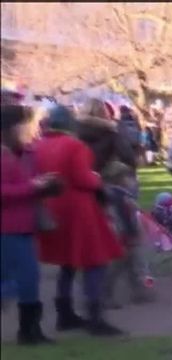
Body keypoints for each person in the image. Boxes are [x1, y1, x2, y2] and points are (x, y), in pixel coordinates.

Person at [34, 105, 125, 337]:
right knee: (95, 261)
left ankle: (64, 313)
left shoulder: (39, 145)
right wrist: (97, 180)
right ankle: (95, 317)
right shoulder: (75, 146)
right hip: (79, 209)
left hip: (53, 206)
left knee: (68, 262)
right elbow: (83, 179)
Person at [1, 104, 62, 345]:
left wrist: (44, 183)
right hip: (6, 228)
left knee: (29, 278)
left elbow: (25, 182)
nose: (30, 129)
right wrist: (32, 187)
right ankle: (28, 330)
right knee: (14, 280)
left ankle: (29, 330)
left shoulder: (26, 152)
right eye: (24, 124)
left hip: (26, 225)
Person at [102, 161, 153, 309]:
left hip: (128, 232)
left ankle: (137, 292)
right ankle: (106, 295)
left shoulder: (123, 194)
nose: (129, 180)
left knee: (132, 264)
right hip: (120, 234)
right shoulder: (111, 195)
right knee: (116, 266)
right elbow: (114, 216)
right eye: (126, 177)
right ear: (117, 178)